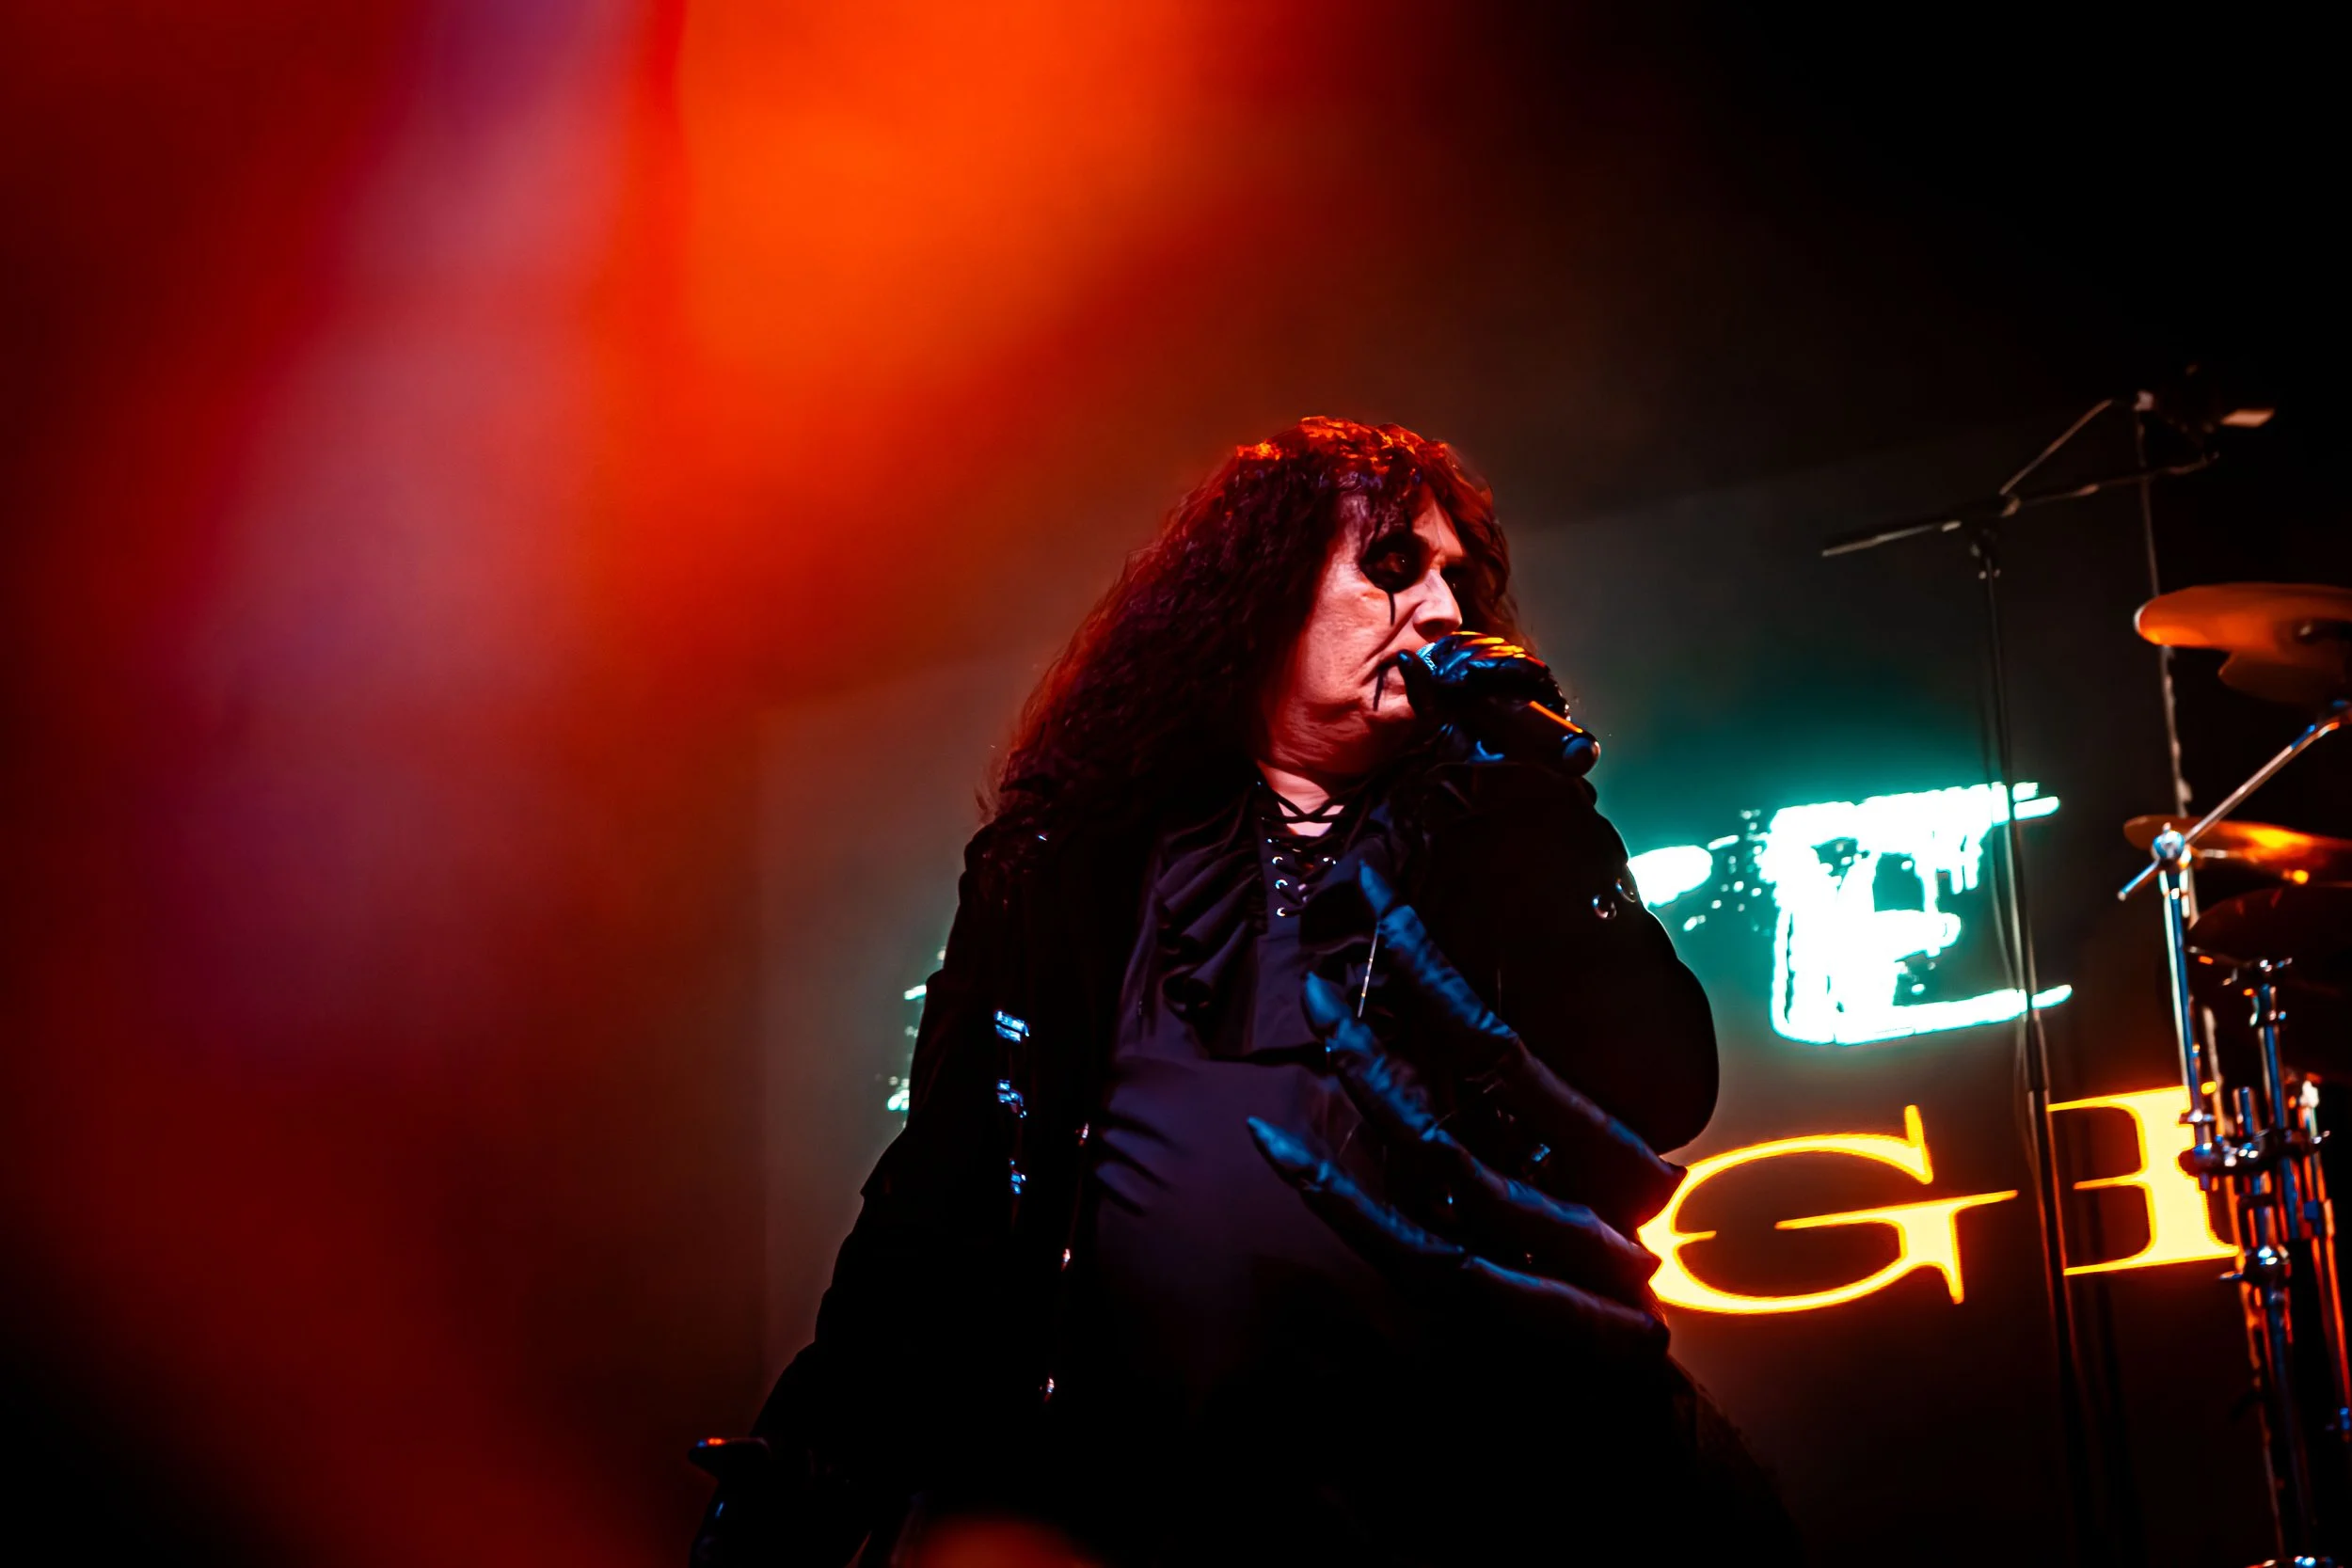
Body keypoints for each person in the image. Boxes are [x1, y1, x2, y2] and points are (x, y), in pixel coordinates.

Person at [692, 418, 1800, 1565]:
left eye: (1455, 580)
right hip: (1123, 1501)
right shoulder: (1069, 863)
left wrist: (1540, 812)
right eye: (1392, 566)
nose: (1440, 609)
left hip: (1457, 1493)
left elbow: (1664, 1088)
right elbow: (943, 1187)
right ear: (1261, 594)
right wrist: (816, 1449)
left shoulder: (1496, 838)